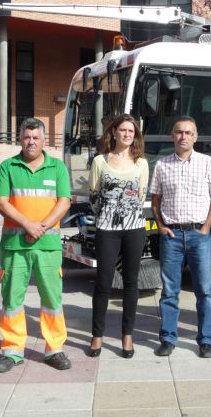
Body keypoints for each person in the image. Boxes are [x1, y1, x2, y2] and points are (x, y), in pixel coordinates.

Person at [0, 118, 72, 373]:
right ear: (20, 139)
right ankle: (12, 351)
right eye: (27, 137)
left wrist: (41, 227)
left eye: (36, 137)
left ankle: (54, 349)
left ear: (44, 139)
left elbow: (64, 202)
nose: (31, 142)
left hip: (48, 245)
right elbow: (2, 202)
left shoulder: (57, 167)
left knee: (52, 298)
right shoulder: (8, 166)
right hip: (15, 245)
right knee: (12, 299)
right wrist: (28, 225)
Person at [150, 116, 211, 358]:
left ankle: (206, 340)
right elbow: (155, 199)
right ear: (172, 136)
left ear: (195, 137)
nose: (183, 136)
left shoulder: (207, 163)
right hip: (171, 236)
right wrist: (160, 225)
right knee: (169, 291)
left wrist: (206, 227)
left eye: (188, 132)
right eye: (179, 132)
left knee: (204, 290)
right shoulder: (162, 165)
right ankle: (168, 338)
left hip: (198, 235)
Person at [88, 114, 149, 359]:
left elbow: (141, 195)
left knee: (131, 283)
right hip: (107, 230)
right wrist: (108, 215)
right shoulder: (100, 161)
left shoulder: (141, 163)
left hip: (134, 229)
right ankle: (97, 336)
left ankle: (127, 335)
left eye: (131, 131)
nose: (127, 134)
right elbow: (93, 197)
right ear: (114, 132)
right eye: (123, 130)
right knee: (103, 283)